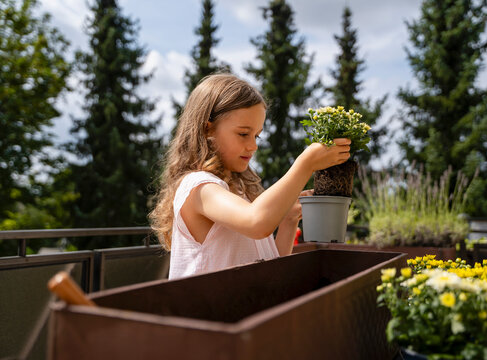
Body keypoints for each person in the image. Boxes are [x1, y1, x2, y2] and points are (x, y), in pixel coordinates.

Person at [149, 74, 351, 280]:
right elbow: (256, 222)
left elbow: (269, 270)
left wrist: (289, 221)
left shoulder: (239, 192)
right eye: (243, 134)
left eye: (256, 135)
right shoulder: (198, 187)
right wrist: (305, 163)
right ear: (207, 128)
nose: (253, 146)